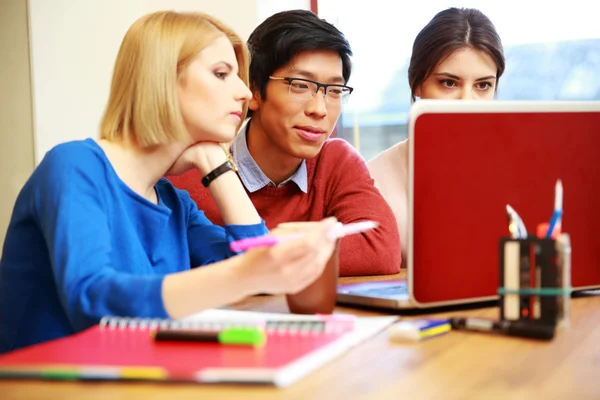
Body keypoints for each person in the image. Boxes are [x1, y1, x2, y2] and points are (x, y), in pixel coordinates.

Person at [0, 11, 338, 354]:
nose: (243, 92)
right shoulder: (74, 167)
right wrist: (249, 273)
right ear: (161, 79)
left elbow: (259, 276)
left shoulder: (174, 202)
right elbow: (93, 301)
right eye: (221, 74)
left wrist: (217, 166)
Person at [168, 10, 401, 276]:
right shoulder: (189, 176)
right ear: (253, 91)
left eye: (334, 91)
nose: (320, 109)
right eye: (300, 85)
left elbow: (380, 249)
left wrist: (272, 252)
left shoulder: (335, 161)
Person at [367, 7, 506, 266]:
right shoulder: (373, 180)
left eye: (483, 85)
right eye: (449, 83)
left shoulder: (520, 170)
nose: (467, 101)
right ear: (417, 83)